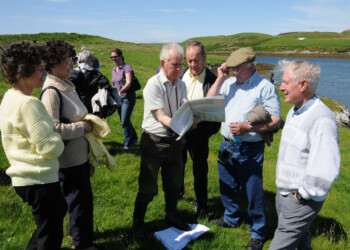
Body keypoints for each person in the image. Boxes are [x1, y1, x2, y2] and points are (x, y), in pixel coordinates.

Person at [206, 47, 281, 250]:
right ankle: (232, 218)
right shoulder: (228, 83)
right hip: (227, 144)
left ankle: (257, 232)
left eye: (237, 70)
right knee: (227, 184)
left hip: (251, 147)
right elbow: (209, 101)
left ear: (251, 67)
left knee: (253, 190)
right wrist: (221, 78)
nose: (234, 73)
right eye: (231, 69)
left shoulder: (264, 87)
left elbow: (275, 120)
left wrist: (249, 127)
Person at [0, 41, 65, 250]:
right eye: (39, 68)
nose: (43, 72)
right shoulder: (29, 104)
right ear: (21, 71)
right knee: (51, 235)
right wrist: (56, 136)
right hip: (39, 179)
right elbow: (50, 148)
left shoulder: (10, 97)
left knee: (47, 226)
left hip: (25, 179)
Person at [269, 60, 340, 250]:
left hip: (301, 200)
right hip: (285, 195)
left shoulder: (322, 119)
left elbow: (327, 169)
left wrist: (302, 195)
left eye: (285, 82)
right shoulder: (295, 111)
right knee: (301, 243)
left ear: (303, 85)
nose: (281, 87)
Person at [132, 43, 198, 238]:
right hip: (155, 141)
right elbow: (161, 116)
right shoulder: (154, 84)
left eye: (181, 65)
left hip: (175, 140)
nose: (179, 69)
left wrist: (192, 119)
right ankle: (137, 223)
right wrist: (182, 125)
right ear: (163, 63)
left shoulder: (181, 83)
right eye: (175, 65)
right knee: (148, 186)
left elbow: (184, 107)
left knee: (174, 183)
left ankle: (171, 214)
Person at [40, 39, 97, 250]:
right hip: (68, 161)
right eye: (67, 60)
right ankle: (83, 245)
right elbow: (51, 129)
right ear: (52, 63)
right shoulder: (52, 92)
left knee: (79, 201)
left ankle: (76, 234)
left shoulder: (66, 85)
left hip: (78, 156)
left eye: (72, 59)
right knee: (79, 202)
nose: (72, 63)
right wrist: (82, 128)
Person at [179, 41, 220, 217]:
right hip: (179, 129)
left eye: (196, 60)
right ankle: (178, 193)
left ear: (204, 57)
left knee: (200, 169)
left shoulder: (212, 80)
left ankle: (201, 203)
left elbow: (216, 115)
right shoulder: (181, 74)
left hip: (199, 133)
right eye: (189, 61)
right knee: (177, 163)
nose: (193, 65)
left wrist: (201, 127)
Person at [110, 48, 138, 150]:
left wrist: (120, 91)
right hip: (118, 99)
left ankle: (127, 144)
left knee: (124, 122)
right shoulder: (114, 70)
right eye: (112, 57)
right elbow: (114, 83)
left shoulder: (126, 67)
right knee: (124, 120)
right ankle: (134, 138)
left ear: (121, 56)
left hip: (127, 97)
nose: (114, 59)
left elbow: (129, 82)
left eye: (115, 56)